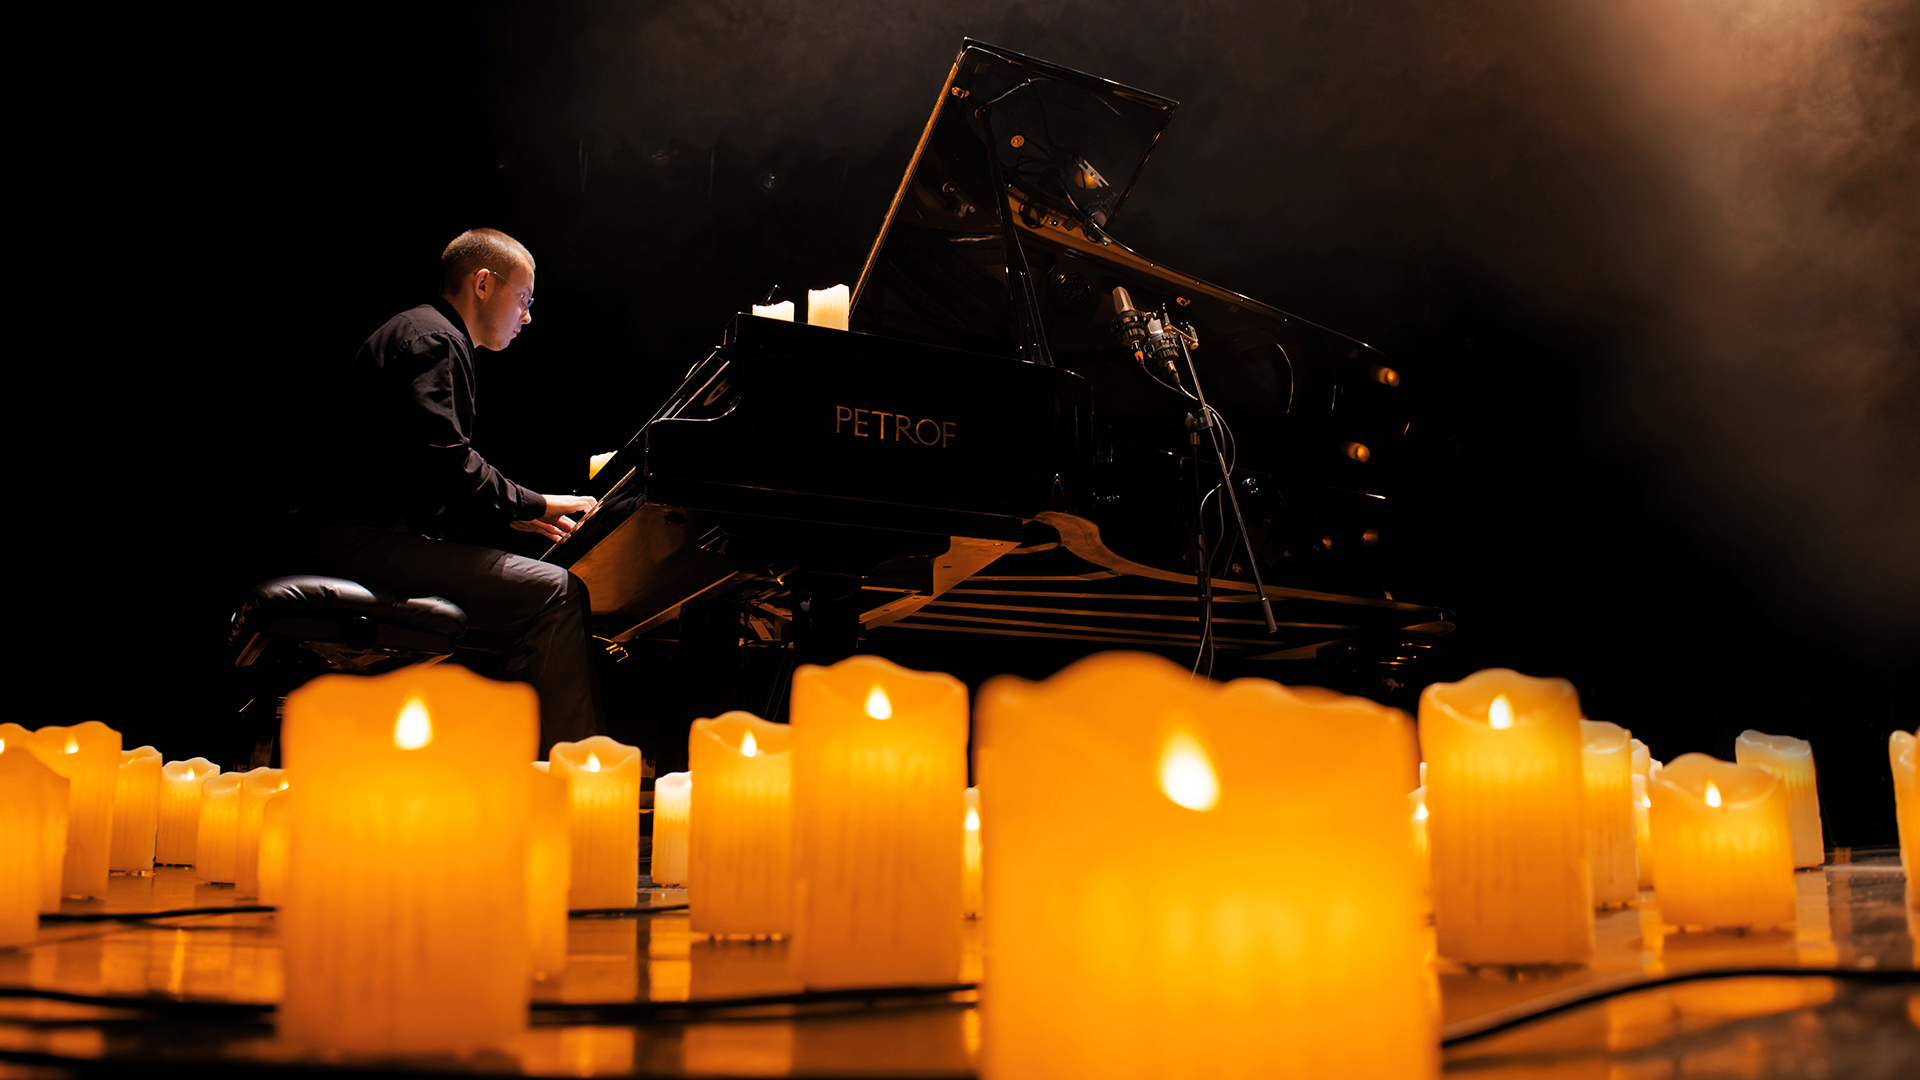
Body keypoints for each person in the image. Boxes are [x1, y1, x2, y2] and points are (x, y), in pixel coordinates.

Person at [293, 228, 603, 751]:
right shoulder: (436, 339)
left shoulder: (424, 332)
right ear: (483, 283)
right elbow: (446, 461)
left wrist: (514, 513)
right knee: (556, 593)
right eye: (524, 298)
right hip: (355, 543)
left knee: (524, 606)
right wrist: (536, 502)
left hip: (352, 538)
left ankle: (514, 771)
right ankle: (578, 780)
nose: (527, 316)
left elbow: (423, 471)